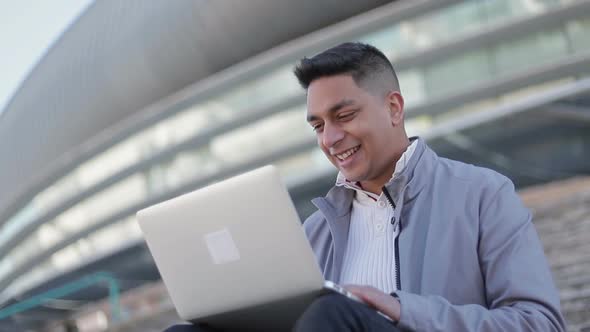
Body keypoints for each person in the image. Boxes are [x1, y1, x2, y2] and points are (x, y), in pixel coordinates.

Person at [165, 42, 566, 331]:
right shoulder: (314, 233)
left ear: (394, 108)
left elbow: (540, 323)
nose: (330, 138)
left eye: (344, 115)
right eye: (319, 125)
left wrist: (400, 309)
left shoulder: (482, 194)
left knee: (330, 313)